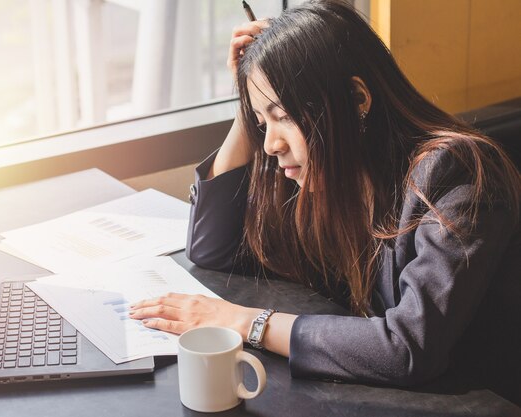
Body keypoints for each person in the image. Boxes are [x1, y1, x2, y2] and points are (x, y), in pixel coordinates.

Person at [129, 0, 521, 403]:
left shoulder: (457, 173)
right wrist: (251, 101)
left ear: (356, 99)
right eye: (262, 123)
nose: (269, 144)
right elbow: (212, 249)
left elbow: (408, 346)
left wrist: (245, 322)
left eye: (283, 116)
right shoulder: (335, 175)